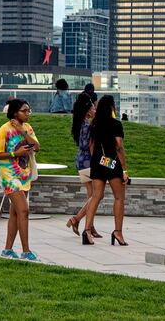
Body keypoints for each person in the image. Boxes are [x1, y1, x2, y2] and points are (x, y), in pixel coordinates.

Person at [0, 99, 39, 262]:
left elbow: (37, 146)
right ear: (14, 113)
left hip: (24, 174)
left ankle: (7, 249)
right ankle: (26, 251)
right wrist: (15, 154)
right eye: (24, 111)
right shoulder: (4, 130)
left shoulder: (27, 128)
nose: (27, 113)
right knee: (24, 211)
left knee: (15, 213)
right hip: (10, 176)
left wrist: (22, 131)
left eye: (28, 110)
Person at [82, 95, 129, 246]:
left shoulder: (94, 124)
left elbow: (91, 145)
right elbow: (119, 146)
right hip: (112, 163)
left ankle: (87, 230)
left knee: (95, 196)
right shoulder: (115, 124)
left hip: (97, 163)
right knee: (119, 197)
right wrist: (124, 169)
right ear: (112, 107)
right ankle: (118, 232)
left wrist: (97, 159)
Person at [66, 94, 101, 238]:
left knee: (91, 195)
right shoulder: (88, 126)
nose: (95, 109)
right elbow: (91, 147)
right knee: (95, 196)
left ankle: (90, 225)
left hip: (81, 160)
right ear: (87, 110)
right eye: (93, 107)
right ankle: (76, 220)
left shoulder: (79, 123)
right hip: (88, 161)